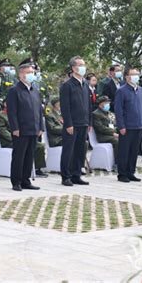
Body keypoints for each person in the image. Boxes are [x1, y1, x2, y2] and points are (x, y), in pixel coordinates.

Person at [6, 59, 43, 191]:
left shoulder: (35, 90)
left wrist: (41, 127)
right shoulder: (14, 90)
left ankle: (26, 180)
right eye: (28, 72)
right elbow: (12, 112)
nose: (31, 74)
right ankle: (16, 181)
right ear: (21, 74)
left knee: (29, 156)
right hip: (21, 129)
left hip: (34, 128)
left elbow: (39, 110)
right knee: (19, 156)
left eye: (32, 72)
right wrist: (15, 128)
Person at [59, 56, 92, 186]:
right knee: (69, 150)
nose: (83, 67)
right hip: (72, 124)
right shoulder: (67, 85)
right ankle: (66, 176)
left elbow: (89, 105)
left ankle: (76, 174)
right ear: (73, 68)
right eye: (80, 65)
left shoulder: (85, 84)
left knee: (80, 150)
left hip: (83, 122)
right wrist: (68, 123)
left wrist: (89, 122)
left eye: (84, 65)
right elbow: (65, 107)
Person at [0, 99, 47, 176]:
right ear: (5, 104)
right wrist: (15, 138)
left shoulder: (17, 114)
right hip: (8, 140)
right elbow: (3, 131)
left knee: (39, 146)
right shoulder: (0, 115)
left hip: (21, 138)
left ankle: (37, 168)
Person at [114, 68, 142, 183]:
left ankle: (131, 172)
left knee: (134, 151)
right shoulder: (121, 91)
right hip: (127, 126)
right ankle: (122, 174)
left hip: (139, 126)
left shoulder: (141, 90)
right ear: (127, 77)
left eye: (137, 74)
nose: (136, 76)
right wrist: (121, 126)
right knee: (124, 151)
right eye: (133, 74)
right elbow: (118, 110)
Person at [92, 96, 118, 167]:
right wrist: (113, 133)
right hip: (103, 136)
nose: (108, 104)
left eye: (108, 103)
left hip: (111, 134)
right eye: (106, 103)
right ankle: (117, 163)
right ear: (100, 105)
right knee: (117, 141)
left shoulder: (108, 113)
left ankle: (124, 161)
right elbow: (100, 128)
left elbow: (115, 124)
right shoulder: (96, 114)